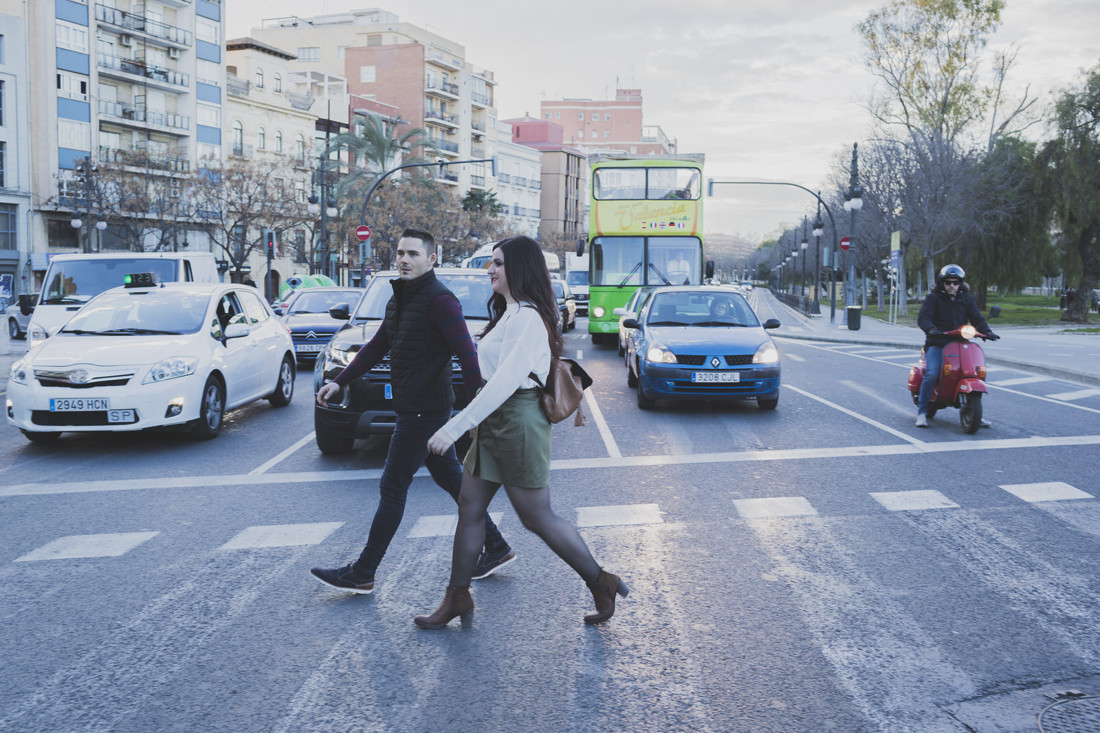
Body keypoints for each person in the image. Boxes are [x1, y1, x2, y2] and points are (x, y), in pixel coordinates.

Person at [415, 235, 628, 629]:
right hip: (496, 420)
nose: (490, 270)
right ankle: (457, 597)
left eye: (497, 263)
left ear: (520, 268)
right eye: (491, 263)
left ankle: (601, 581)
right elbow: (486, 376)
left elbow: (504, 383)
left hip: (518, 421)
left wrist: (455, 426)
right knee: (470, 506)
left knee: (536, 517)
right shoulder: (509, 313)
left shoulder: (529, 317)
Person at [310, 228, 514, 595]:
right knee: (453, 480)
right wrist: (340, 380)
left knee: (392, 486)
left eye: (413, 254)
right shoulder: (399, 298)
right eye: (400, 253)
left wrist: (475, 414)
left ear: (431, 259)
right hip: (414, 408)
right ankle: (496, 546)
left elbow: (467, 356)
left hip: (424, 412)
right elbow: (375, 348)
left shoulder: (440, 301)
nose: (404, 259)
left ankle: (363, 571)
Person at [915, 264, 998, 428]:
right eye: (948, 282)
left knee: (974, 372)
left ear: (961, 283)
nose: (952, 285)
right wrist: (931, 329)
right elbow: (923, 318)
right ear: (942, 283)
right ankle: (922, 412)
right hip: (937, 343)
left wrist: (987, 332)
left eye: (955, 282)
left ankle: (975, 413)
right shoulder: (933, 298)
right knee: (932, 373)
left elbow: (977, 318)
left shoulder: (966, 298)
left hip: (960, 343)